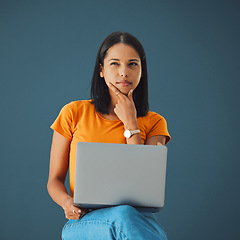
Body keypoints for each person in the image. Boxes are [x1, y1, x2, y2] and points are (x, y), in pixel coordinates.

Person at [47, 31, 171, 240]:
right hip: (86, 221)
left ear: (142, 71)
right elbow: (54, 180)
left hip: (138, 221)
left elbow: (143, 183)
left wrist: (131, 123)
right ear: (102, 70)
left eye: (133, 64)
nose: (124, 72)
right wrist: (67, 202)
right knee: (124, 216)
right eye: (115, 64)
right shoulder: (74, 112)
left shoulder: (155, 122)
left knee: (126, 214)